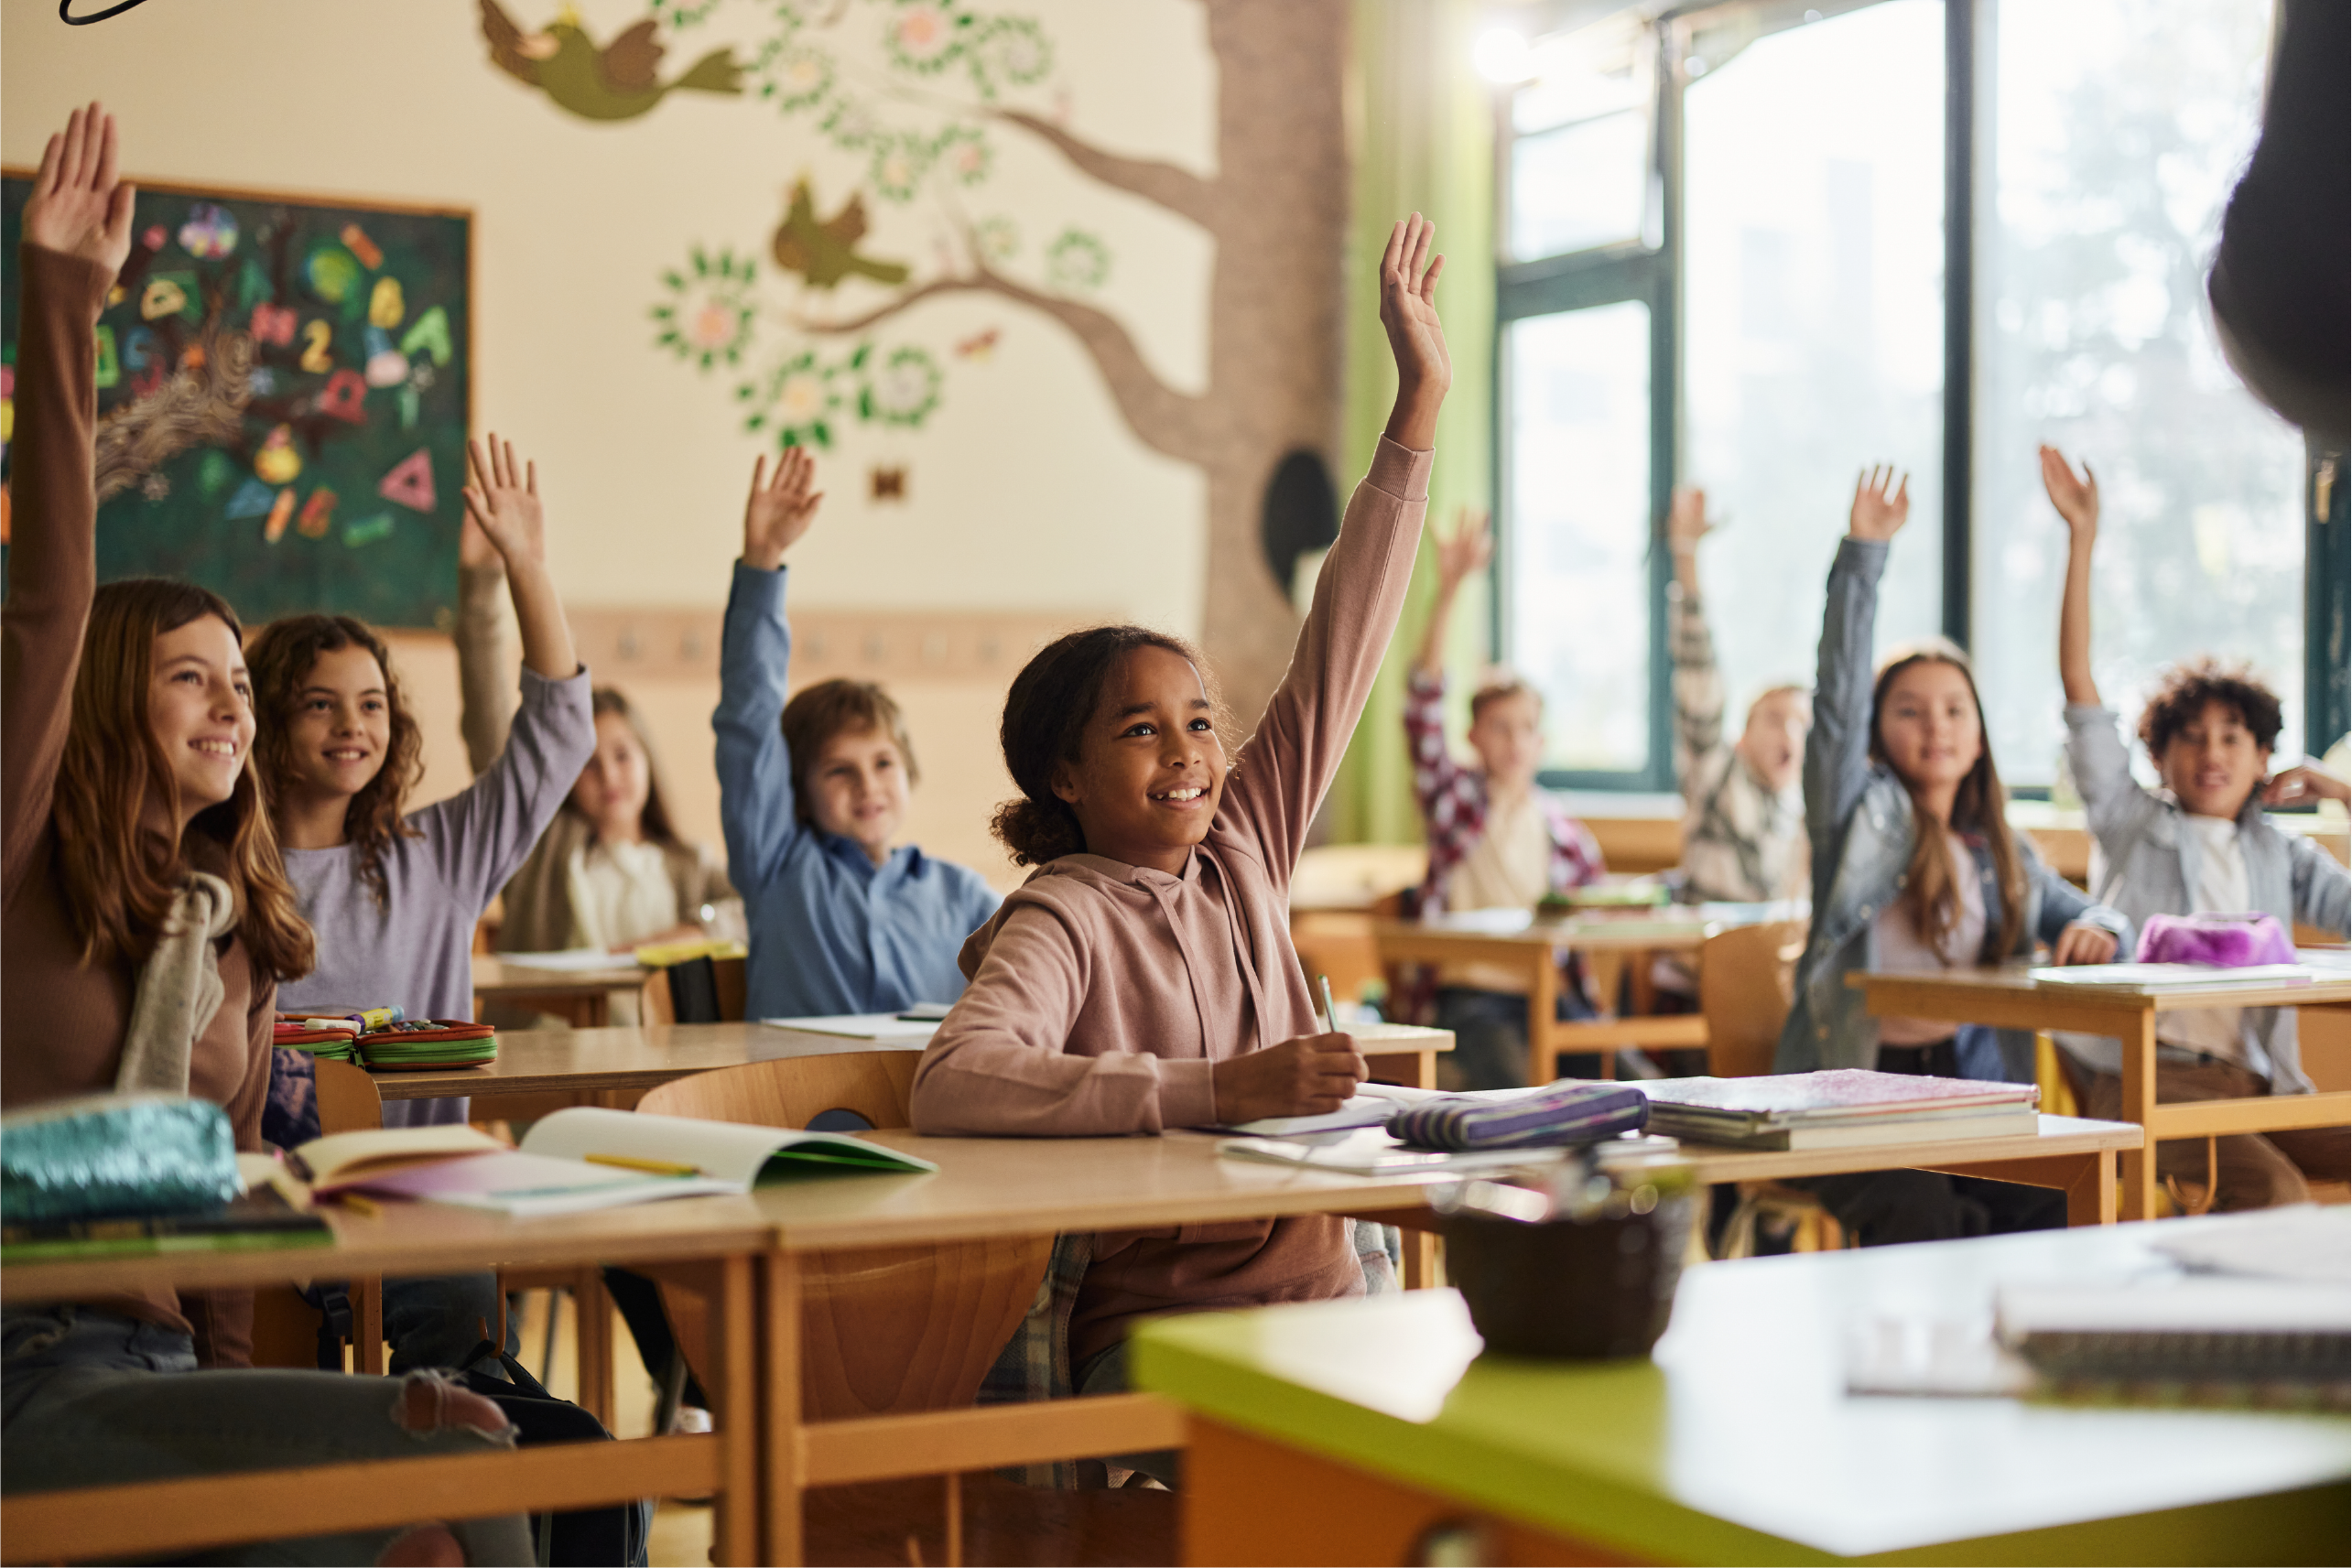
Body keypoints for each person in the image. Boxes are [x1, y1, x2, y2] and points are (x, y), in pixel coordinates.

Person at [0, 102, 529, 1568]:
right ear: (114, 700)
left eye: (244, 683)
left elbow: (225, 1228)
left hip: (164, 1374)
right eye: (195, 679)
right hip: (25, 1367)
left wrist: (240, 1410)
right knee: (439, 1482)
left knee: (452, 1486)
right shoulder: (21, 858)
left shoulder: (228, 930)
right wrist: (61, 297)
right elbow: (46, 610)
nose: (234, 709)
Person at [908, 214, 1452, 1479]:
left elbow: (1346, 636)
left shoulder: (1245, 844)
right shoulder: (1062, 914)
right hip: (1165, 1331)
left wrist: (1416, 405)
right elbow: (956, 1079)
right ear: (1065, 773)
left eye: (1202, 721)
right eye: (1142, 731)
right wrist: (1214, 1091)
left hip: (1329, 1302)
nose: (1189, 753)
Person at [245, 435, 594, 1372]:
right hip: (268, 1205)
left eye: (370, 703)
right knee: (281, 1389)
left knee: (470, 1354)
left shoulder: (437, 854)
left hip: (421, 1199)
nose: (352, 726)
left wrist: (526, 565)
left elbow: (559, 734)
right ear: (265, 723)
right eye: (318, 704)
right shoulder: (223, 872)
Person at [1775, 464, 2130, 1245]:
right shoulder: (1853, 820)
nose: (1934, 726)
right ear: (1876, 731)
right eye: (1907, 710)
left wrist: (2101, 927)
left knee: (2060, 1203)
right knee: (1928, 1217)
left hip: (1969, 1097)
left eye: (1952, 709)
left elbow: (2099, 916)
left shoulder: (2000, 850)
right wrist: (1862, 555)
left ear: (1977, 735)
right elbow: (1834, 700)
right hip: (1850, 1099)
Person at [2044, 445, 2350, 1210]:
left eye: (2231, 736)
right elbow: (2081, 692)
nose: (2210, 752)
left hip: (2258, 1079)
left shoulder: (2280, 852)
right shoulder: (2130, 820)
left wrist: (2339, 793)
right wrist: (2082, 538)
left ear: (2261, 758)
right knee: (2279, 1197)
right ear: (2159, 753)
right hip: (2146, 1075)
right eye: (2191, 735)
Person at [714, 447, 1000, 1022]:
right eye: (838, 770)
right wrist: (763, 562)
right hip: (796, 1111)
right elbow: (749, 719)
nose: (866, 784)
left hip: (927, 1108)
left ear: (909, 772)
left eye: (883, 763)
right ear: (796, 791)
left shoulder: (965, 897)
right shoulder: (775, 867)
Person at [456, 535, 738, 977]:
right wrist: (483, 585)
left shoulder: (692, 865)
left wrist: (695, 929)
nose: (608, 775)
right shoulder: (540, 851)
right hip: (552, 1039)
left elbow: (755, 914)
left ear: (648, 760)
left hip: (660, 1043)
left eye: (623, 755)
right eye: (588, 763)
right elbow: (487, 730)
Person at [1398, 507, 1605, 1088]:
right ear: (1473, 737)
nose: (1514, 742)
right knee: (1518, 1085)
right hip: (1474, 997)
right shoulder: (1454, 802)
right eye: (1498, 727)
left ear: (1542, 741)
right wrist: (1450, 589)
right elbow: (1421, 708)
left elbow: (1595, 917)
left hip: (1550, 995)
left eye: (1525, 728)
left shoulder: (1564, 833)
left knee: (1628, 1079)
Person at [1665, 485, 1810, 905]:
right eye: (1773, 719)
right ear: (1741, 737)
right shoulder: (1716, 774)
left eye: (1801, 724)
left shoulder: (1799, 813)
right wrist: (1686, 555)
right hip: (1705, 961)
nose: (1789, 734)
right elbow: (1699, 678)